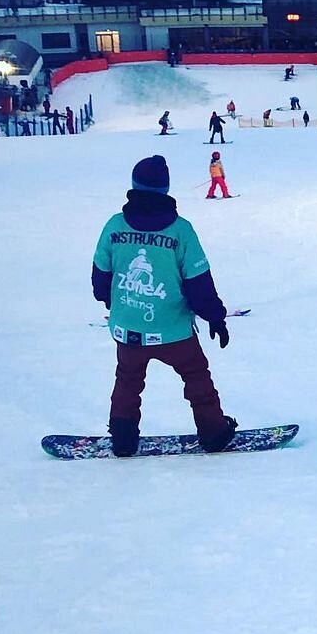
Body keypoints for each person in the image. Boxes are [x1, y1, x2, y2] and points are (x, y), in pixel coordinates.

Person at [91, 155, 236, 457]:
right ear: (165, 188)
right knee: (196, 375)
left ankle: (123, 438)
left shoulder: (114, 226)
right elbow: (199, 282)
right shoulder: (181, 231)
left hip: (129, 325)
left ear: (134, 186)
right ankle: (213, 431)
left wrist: (110, 300)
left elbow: (101, 274)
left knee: (128, 381)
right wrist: (215, 317)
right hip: (173, 330)